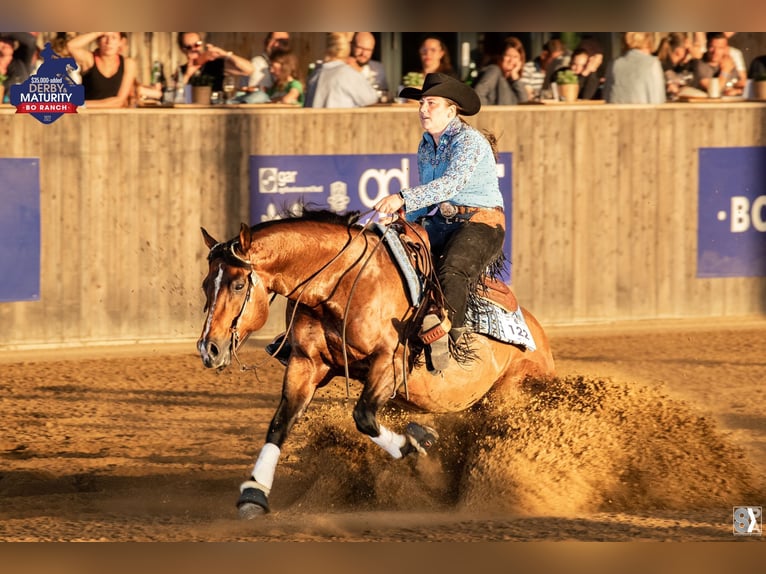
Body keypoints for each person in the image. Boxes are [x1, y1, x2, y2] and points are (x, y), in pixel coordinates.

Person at [373, 73, 505, 372]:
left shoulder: (469, 141)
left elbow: (451, 184)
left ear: (451, 110)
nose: (422, 109)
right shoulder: (426, 144)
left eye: (431, 103)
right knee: (388, 254)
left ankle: (449, 341)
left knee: (452, 270)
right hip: (444, 222)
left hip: (481, 223)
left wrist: (402, 198)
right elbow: (431, 194)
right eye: (421, 102)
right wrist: (405, 221)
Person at [304, 32, 378, 108]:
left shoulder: (316, 73)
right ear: (348, 48)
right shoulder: (348, 73)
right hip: (340, 119)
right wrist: (357, 72)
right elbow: (371, 98)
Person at [66, 32, 138, 108]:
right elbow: (70, 46)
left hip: (116, 116)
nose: (109, 42)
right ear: (98, 41)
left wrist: (81, 104)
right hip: (87, 115)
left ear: (121, 42)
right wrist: (97, 33)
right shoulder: (89, 60)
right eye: (104, 37)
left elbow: (119, 101)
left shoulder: (128, 64)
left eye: (114, 37)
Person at [176, 32, 253, 92]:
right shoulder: (182, 71)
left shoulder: (215, 64)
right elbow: (175, 95)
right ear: (183, 49)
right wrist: (187, 75)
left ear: (202, 45)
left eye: (197, 44)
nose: (194, 49)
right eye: (189, 47)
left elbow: (249, 70)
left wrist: (224, 54)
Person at [603, 32, 666, 104]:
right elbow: (658, 101)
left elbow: (607, 97)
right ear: (649, 42)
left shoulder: (614, 64)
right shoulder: (653, 64)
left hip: (614, 114)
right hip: (644, 113)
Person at [473, 36, 529, 105]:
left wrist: (515, 79)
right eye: (508, 55)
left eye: (515, 57)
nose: (511, 60)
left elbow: (524, 103)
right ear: (500, 57)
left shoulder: (513, 81)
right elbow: (478, 95)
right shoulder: (493, 71)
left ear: (520, 60)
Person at [689, 32, 745, 97]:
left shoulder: (727, 61)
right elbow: (713, 90)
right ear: (707, 46)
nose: (716, 52)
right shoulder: (699, 65)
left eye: (720, 48)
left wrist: (737, 91)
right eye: (712, 47)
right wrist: (725, 71)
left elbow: (741, 85)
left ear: (726, 49)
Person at [655, 32, 694, 100]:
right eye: (687, 50)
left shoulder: (670, 64)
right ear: (679, 51)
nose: (688, 53)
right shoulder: (665, 66)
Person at [350, 32, 388, 97]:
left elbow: (385, 93)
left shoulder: (378, 68)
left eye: (368, 50)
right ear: (352, 46)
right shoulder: (342, 68)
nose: (363, 53)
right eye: (360, 48)